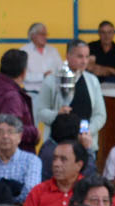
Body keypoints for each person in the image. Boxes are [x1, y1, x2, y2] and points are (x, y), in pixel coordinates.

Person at [34, 42, 106, 171]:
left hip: (85, 144)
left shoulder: (92, 81)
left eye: (87, 56)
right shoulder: (51, 81)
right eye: (80, 56)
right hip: (57, 147)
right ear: (68, 56)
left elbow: (100, 115)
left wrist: (87, 131)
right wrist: (57, 114)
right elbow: (40, 112)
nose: (84, 61)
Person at [0, 54, 40, 157]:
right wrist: (34, 133)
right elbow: (10, 128)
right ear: (23, 72)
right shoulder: (11, 96)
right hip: (10, 157)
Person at [23, 140, 92, 206]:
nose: (56, 164)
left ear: (79, 165)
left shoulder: (91, 189)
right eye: (54, 158)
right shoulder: (38, 191)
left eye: (63, 159)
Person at [16, 22, 63, 95]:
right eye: (42, 34)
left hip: (53, 93)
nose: (45, 37)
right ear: (33, 35)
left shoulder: (53, 50)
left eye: (46, 34)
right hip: (33, 93)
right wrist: (42, 76)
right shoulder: (23, 52)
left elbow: (61, 69)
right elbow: (22, 75)